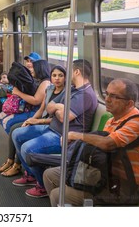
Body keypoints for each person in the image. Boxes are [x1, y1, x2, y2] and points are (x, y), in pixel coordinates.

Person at [43, 78, 139, 206]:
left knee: (58, 194)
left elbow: (107, 143)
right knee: (50, 175)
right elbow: (101, 149)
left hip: (127, 185)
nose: (107, 99)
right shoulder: (111, 121)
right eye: (107, 94)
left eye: (114, 96)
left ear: (129, 104)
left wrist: (76, 135)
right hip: (106, 175)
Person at [12, 59, 98, 198]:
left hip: (62, 136)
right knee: (17, 134)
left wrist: (59, 108)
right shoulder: (72, 89)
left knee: (27, 149)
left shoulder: (85, 95)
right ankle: (33, 175)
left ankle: (42, 185)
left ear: (76, 72)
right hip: (52, 127)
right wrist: (60, 107)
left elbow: (64, 117)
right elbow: (50, 106)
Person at [0, 54, 48, 150]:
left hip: (21, 104)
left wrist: (15, 91)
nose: (28, 64)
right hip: (17, 99)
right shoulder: (29, 76)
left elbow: (35, 100)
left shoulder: (42, 81)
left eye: (31, 62)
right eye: (27, 61)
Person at [1, 66, 66, 180]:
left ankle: (19, 166)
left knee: (17, 132)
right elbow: (41, 109)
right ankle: (25, 169)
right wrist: (30, 120)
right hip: (43, 119)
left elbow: (59, 119)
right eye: (54, 75)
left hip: (50, 124)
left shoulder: (66, 93)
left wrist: (37, 121)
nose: (57, 79)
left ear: (65, 78)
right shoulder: (49, 89)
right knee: (17, 131)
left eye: (60, 76)